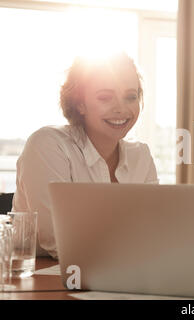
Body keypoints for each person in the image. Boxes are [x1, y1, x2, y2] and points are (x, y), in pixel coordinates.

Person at [12, 52, 159, 259]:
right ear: (80, 104)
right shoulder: (47, 145)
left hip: (121, 273)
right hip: (39, 280)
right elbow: (58, 238)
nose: (121, 108)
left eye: (131, 97)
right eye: (105, 97)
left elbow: (154, 233)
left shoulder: (140, 155)